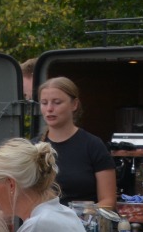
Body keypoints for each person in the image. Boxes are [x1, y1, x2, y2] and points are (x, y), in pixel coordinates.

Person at [36, 76, 115, 208]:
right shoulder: (32, 148)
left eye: (57, 102)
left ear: (74, 104)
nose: (49, 108)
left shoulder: (93, 145)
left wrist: (78, 216)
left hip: (83, 219)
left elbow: (108, 201)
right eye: (44, 103)